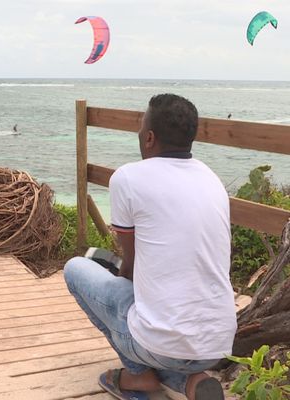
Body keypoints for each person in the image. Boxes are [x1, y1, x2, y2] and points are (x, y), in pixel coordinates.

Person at [64, 94, 237, 400]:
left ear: (150, 137)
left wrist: (120, 288)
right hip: (218, 344)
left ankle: (138, 375)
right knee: (164, 333)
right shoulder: (212, 179)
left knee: (76, 269)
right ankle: (190, 383)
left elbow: (129, 265)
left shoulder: (128, 177)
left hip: (160, 344)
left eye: (141, 126)